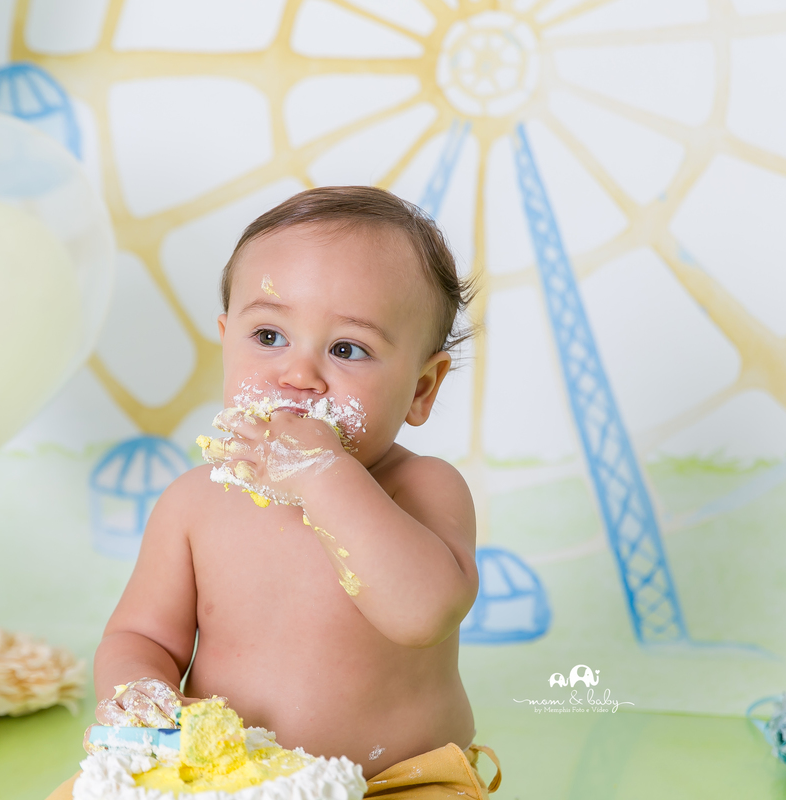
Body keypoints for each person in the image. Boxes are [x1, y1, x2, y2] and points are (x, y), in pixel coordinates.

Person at [92, 186, 501, 797]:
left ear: (422, 388)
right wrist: (139, 690)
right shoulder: (194, 502)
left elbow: (422, 615)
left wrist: (323, 474)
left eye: (347, 349)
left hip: (393, 782)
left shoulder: (423, 487)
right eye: (269, 337)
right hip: (225, 777)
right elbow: (142, 636)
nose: (299, 376)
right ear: (227, 338)